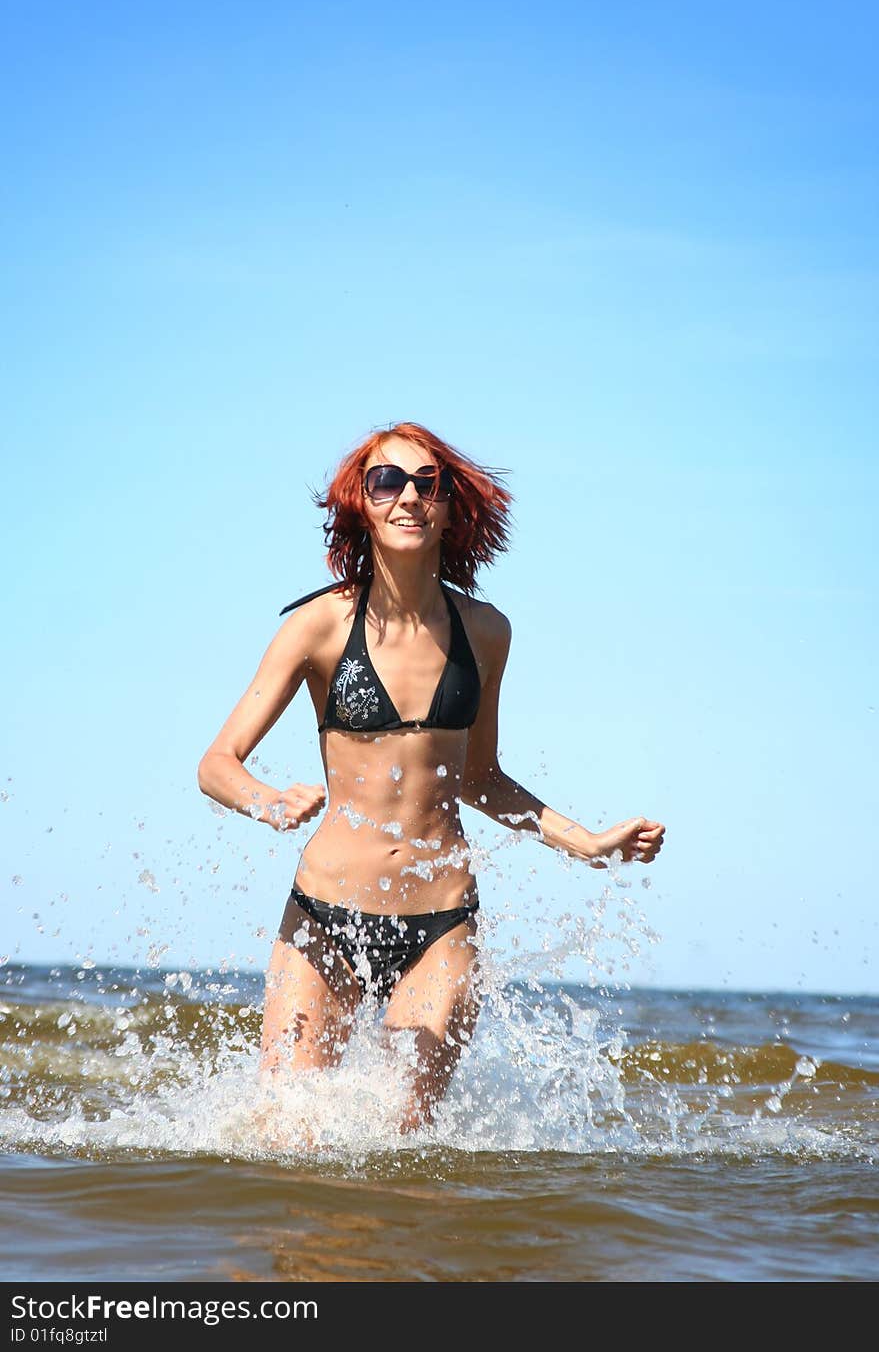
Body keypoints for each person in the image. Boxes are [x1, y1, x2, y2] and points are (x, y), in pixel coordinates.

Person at [197, 422, 665, 1134]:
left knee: (401, 1144)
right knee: (284, 1133)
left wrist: (590, 842)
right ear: (363, 501)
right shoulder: (319, 626)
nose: (408, 497)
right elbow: (216, 765)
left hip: (442, 924)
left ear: (450, 507)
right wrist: (268, 800)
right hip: (325, 914)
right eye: (388, 481)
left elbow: (482, 778)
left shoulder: (485, 631)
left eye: (428, 483)